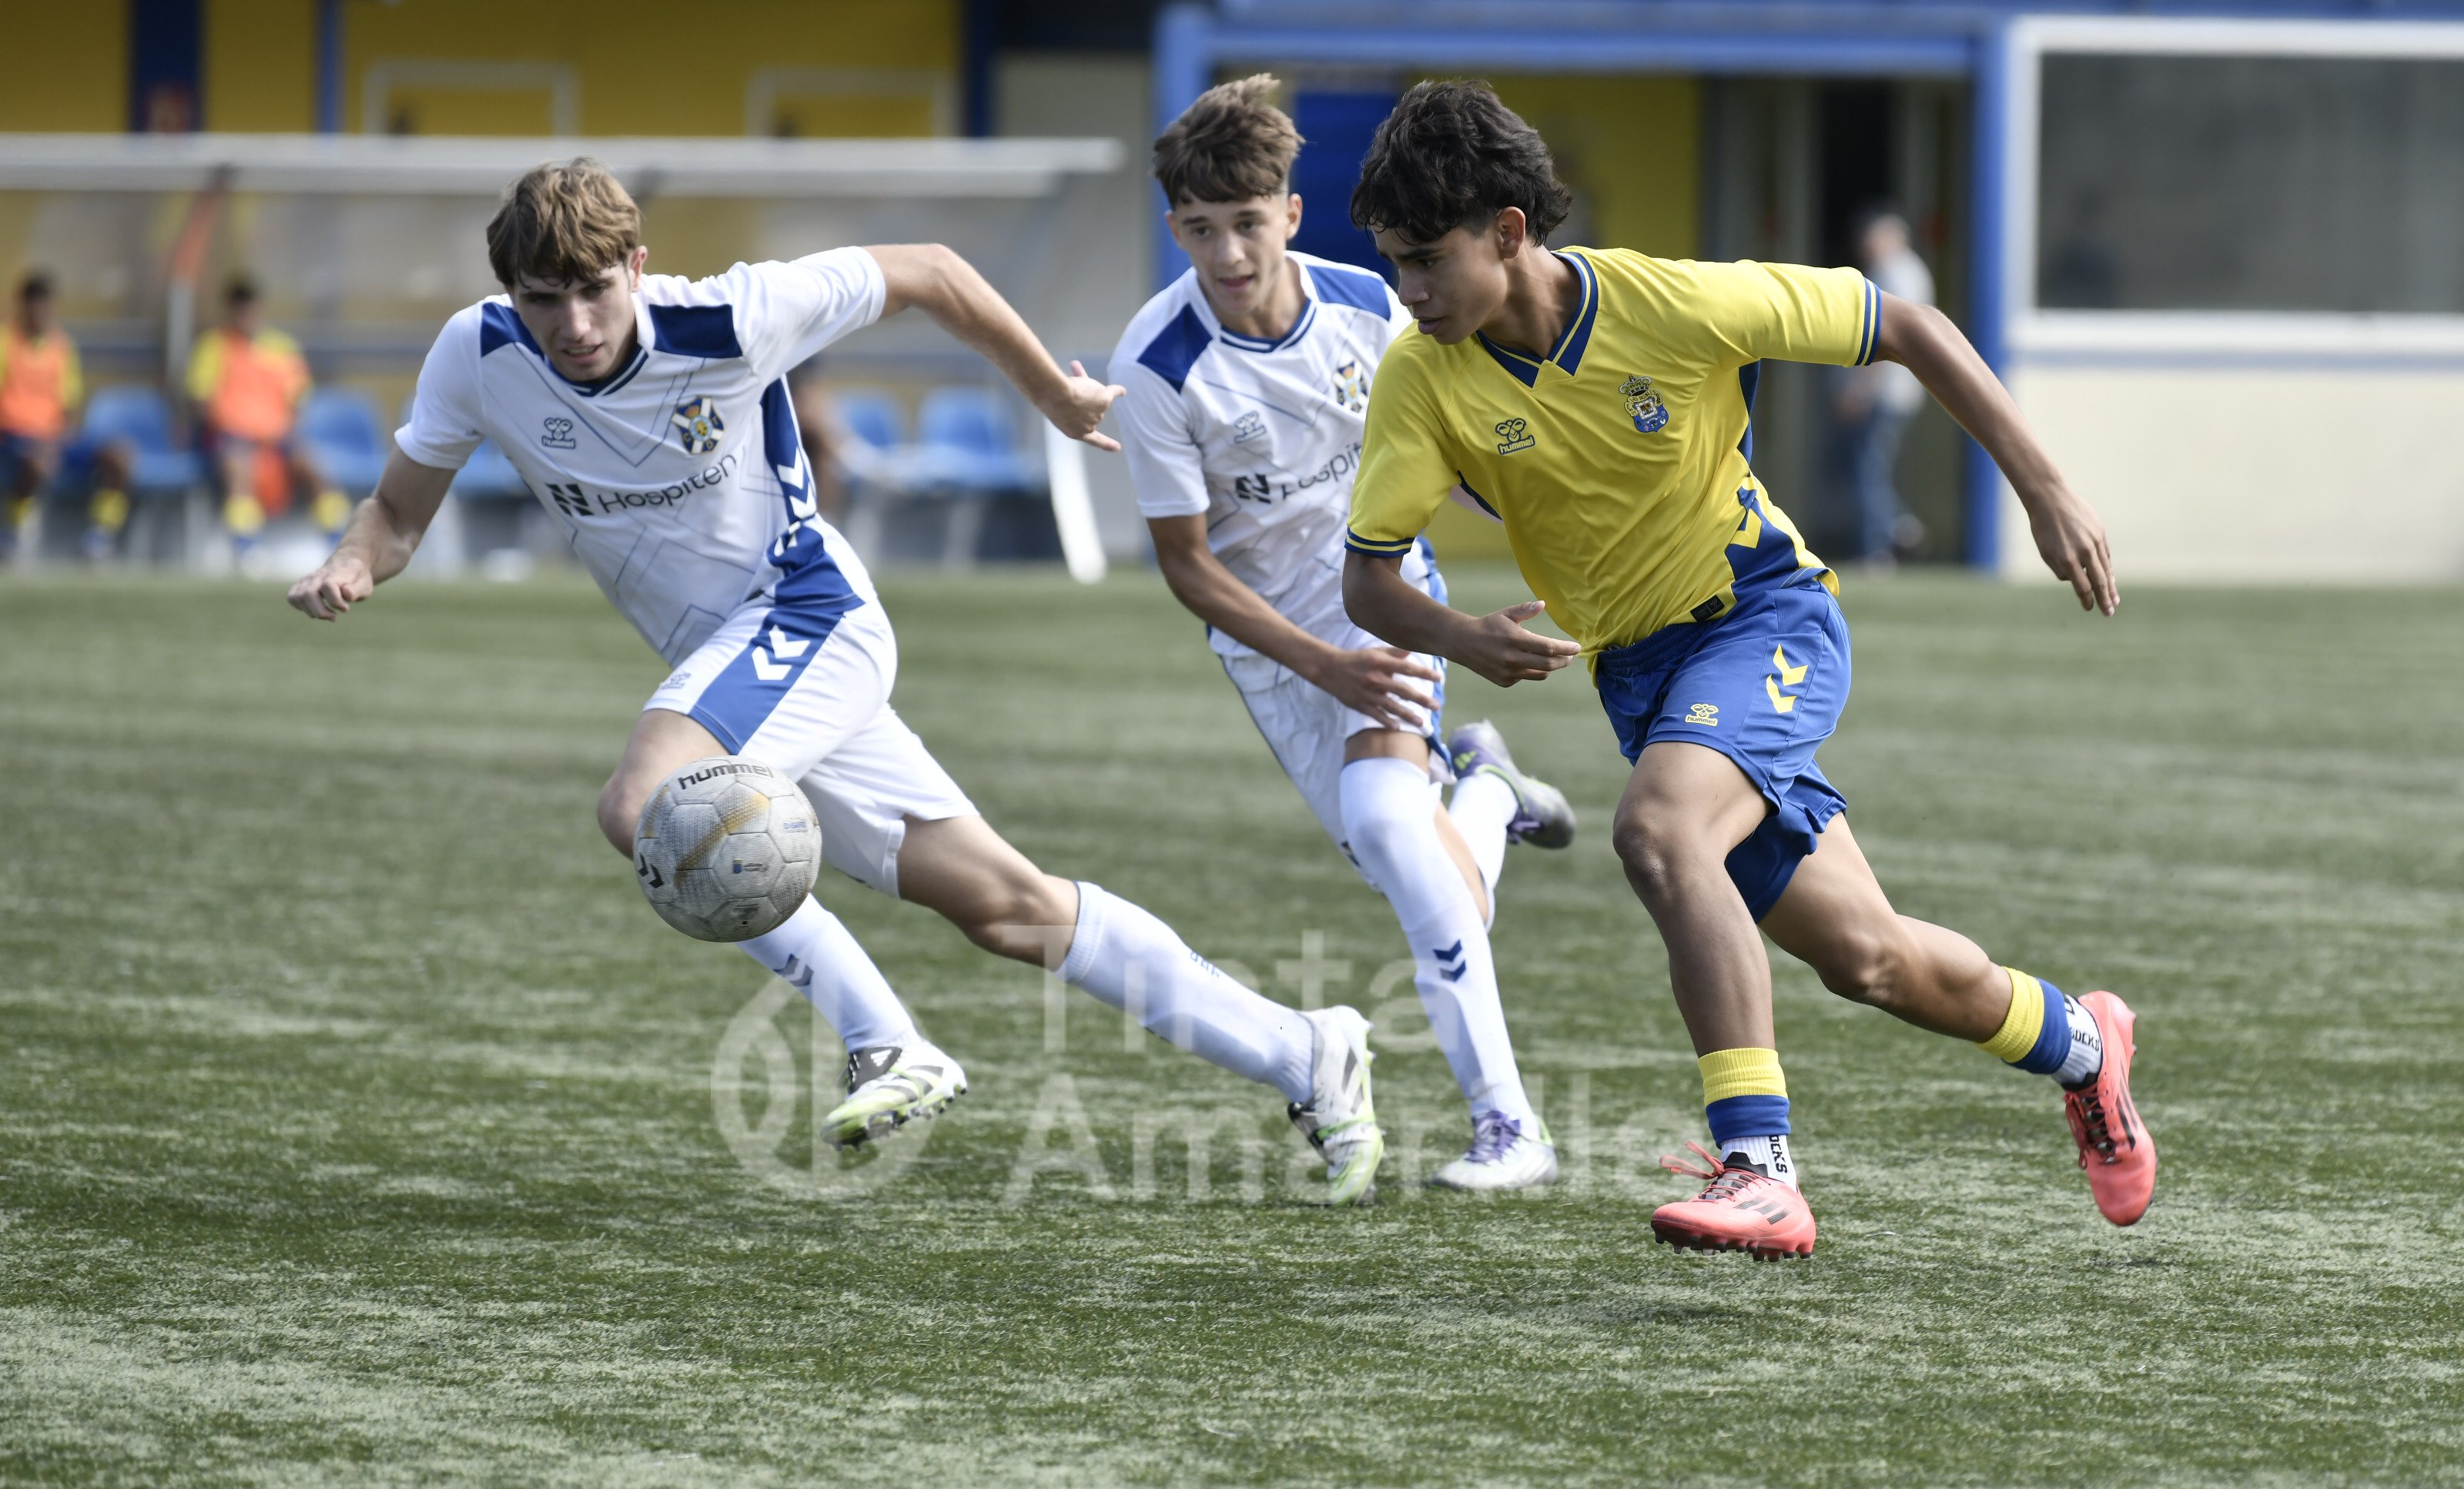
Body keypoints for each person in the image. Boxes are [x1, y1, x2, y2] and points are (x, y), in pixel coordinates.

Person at [284, 159, 1387, 1205]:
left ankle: (886, 1040)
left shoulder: (732, 315)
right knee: (1010, 909)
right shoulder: (477, 354)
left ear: (638, 267)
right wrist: (351, 559)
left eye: (591, 291)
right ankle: (1307, 1051)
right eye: (542, 299)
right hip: (741, 668)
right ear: (507, 293)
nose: (571, 325)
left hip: (809, 617)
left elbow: (932, 271)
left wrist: (1052, 391)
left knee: (646, 805)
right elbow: (396, 513)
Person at [1339, 82, 2152, 1259]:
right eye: (1393, 265)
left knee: (1661, 833)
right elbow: (1368, 585)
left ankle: (1758, 1167)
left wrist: (2048, 490)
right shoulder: (1424, 375)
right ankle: (2085, 1044)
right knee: (1867, 959)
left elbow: (1907, 327)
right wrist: (1468, 637)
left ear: (1509, 232)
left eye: (1424, 261)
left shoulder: (1675, 302)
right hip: (1643, 680)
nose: (1408, 293)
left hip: (1766, 619)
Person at [1110, 77, 1573, 1192]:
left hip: (1387, 593)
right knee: (1413, 866)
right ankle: (1495, 797)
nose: (1225, 253)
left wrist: (1535, 530)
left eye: (1248, 223)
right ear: (1175, 225)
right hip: (1279, 650)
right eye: (1199, 229)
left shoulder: (1371, 307)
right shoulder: (1157, 364)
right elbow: (1190, 567)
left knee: (1393, 835)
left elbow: (1457, 453)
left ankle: (1509, 1126)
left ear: (1291, 214)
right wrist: (1321, 664)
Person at [189, 276, 348, 547]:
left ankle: (339, 540)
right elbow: (202, 400)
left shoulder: (281, 347)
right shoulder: (212, 346)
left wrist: (281, 434)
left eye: (250, 308)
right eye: (239, 309)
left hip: (277, 439)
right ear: (229, 310)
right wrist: (234, 432)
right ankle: (247, 546)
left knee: (313, 466)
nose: (245, 316)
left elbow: (298, 400)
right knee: (238, 469)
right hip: (231, 437)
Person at [0, 272, 129, 562]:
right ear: (22, 307)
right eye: (34, 306)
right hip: (13, 439)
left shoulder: (61, 346)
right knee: (34, 461)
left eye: (45, 306)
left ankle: (100, 536)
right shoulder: (6, 342)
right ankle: (14, 531)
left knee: (119, 456)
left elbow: (69, 403)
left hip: (54, 439)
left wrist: (61, 437)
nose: (40, 314)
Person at [1832, 210, 1933, 565]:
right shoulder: (1911, 270)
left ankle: (1880, 543)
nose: (1865, 244)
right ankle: (1896, 526)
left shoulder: (1893, 272)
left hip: (1883, 395)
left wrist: (1858, 391)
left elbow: (1882, 340)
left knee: (1867, 470)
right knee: (1867, 468)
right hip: (1898, 394)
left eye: (1871, 237)